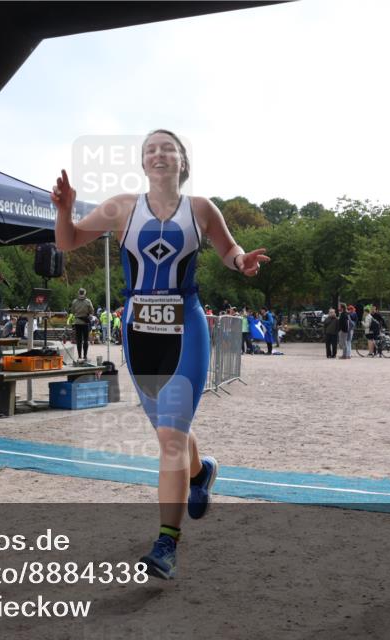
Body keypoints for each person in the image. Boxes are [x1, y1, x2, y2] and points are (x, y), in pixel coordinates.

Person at [52, 129, 269, 579]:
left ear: (182, 161)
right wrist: (64, 210)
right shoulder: (121, 207)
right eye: (150, 148)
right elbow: (68, 242)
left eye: (166, 147)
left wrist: (242, 262)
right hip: (138, 332)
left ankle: (166, 543)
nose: (158, 153)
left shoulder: (202, 209)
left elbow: (230, 251)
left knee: (170, 436)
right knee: (170, 435)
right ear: (143, 162)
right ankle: (200, 472)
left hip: (186, 328)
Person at [70, 288, 94, 362]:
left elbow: (72, 311)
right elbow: (92, 310)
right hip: (85, 323)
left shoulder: (74, 301)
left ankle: (79, 356)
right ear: (85, 293)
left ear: (78, 293)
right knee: (85, 340)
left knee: (79, 340)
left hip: (77, 322)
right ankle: (85, 356)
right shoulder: (88, 301)